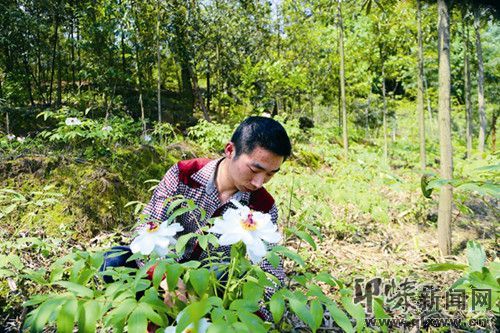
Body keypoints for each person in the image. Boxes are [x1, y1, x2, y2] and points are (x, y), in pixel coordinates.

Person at [102, 116, 292, 322]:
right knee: (114, 260)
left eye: (270, 175)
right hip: (165, 270)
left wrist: (261, 319)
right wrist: (167, 277)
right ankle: (146, 311)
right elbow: (148, 225)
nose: (258, 182)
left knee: (228, 280)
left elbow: (270, 269)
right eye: (255, 170)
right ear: (230, 150)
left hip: (211, 285)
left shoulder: (263, 206)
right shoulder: (184, 175)